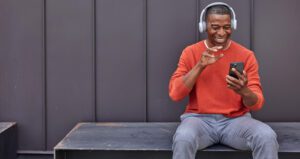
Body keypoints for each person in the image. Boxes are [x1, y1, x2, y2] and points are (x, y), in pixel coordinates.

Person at [169, 2, 279, 159]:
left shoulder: (246, 55)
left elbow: (257, 103)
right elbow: (175, 94)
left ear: (232, 25)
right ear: (204, 26)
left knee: (266, 136)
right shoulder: (190, 52)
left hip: (236, 121)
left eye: (226, 27)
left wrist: (244, 91)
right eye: (215, 27)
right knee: (183, 138)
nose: (221, 32)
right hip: (199, 121)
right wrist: (200, 66)